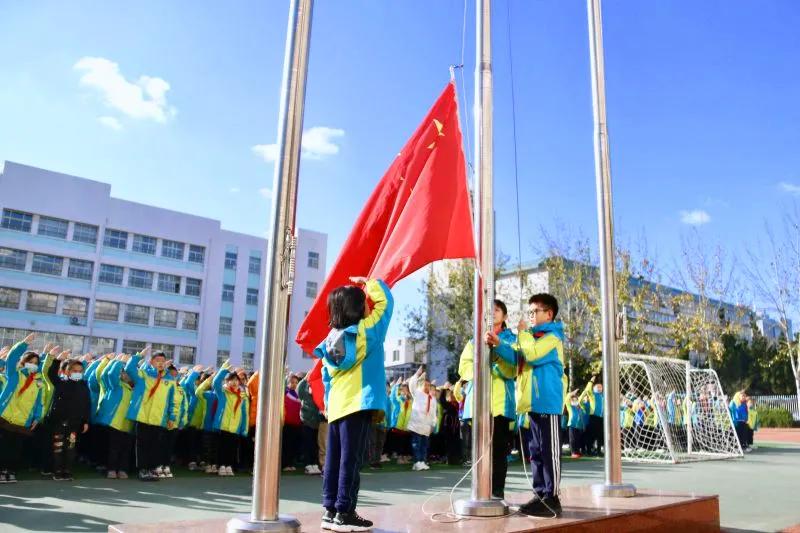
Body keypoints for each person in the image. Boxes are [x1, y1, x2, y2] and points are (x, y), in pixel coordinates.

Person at [314, 277, 393, 532]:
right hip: (359, 404)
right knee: (351, 460)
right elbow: (387, 303)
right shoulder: (366, 331)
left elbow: (326, 377)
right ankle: (345, 512)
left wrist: (327, 403)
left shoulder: (329, 341)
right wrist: (369, 283)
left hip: (337, 406)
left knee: (334, 460)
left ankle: (330, 509)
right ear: (359, 309)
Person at [506, 294, 566, 517]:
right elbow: (516, 357)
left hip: (548, 403)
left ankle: (552, 497)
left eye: (535, 312)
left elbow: (531, 355)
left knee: (550, 452)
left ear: (549, 314)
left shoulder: (552, 337)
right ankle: (540, 492)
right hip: (532, 403)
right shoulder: (531, 336)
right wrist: (498, 344)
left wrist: (521, 333)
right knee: (536, 451)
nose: (531, 316)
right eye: (529, 312)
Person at [480, 299, 519, 499]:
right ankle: (480, 490)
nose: (493, 313)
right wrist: (477, 373)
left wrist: (495, 359)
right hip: (479, 404)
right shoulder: (476, 338)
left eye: (497, 310)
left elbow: (513, 365)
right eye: (490, 310)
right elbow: (465, 365)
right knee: (479, 450)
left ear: (504, 316)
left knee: (498, 451)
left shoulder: (511, 338)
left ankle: (497, 492)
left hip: (501, 404)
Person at [124, 347, 180, 481]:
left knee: (155, 445)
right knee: (142, 444)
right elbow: (129, 369)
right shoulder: (143, 375)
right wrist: (138, 356)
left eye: (162, 360)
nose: (160, 363)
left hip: (159, 418)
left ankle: (151, 469)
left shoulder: (170, 379)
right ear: (151, 362)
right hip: (142, 416)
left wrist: (172, 417)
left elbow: (174, 400)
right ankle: (143, 470)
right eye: (157, 360)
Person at [0, 334, 43, 484]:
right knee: (3, 447)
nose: (33, 364)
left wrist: (37, 418)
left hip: (23, 420)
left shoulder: (38, 381)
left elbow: (39, 402)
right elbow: (11, 358)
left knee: (16, 449)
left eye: (36, 362)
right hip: (6, 417)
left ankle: (11, 471)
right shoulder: (14, 374)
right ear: (23, 362)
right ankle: (2, 471)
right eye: (30, 362)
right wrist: (24, 344)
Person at [46, 351, 91, 481]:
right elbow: (50, 374)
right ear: (67, 372)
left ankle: (67, 470)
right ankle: (57, 471)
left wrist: (86, 421)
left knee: (70, 448)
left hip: (75, 424)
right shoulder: (61, 383)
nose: (78, 373)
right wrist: (57, 360)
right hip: (59, 422)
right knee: (58, 447)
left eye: (80, 370)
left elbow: (87, 405)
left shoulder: (83, 386)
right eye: (75, 370)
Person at [97, 355, 136, 479]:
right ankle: (112, 469)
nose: (125, 375)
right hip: (115, 422)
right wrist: (119, 362)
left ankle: (123, 469)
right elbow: (110, 374)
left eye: (127, 374)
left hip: (129, 423)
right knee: (114, 447)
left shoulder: (135, 389)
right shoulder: (116, 386)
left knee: (126, 448)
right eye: (123, 373)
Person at [212, 361, 249, 476]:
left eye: (236, 380)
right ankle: (221, 466)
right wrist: (223, 370)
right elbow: (216, 382)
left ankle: (228, 466)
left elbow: (244, 413)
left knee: (232, 448)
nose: (234, 382)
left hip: (235, 426)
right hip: (223, 424)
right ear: (227, 382)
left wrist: (244, 428)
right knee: (222, 446)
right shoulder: (223, 392)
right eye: (231, 380)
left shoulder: (243, 396)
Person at [406, 366, 437, 471]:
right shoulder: (417, 393)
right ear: (422, 384)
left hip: (426, 426)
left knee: (424, 445)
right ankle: (417, 461)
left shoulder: (432, 398)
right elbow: (411, 385)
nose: (427, 386)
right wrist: (417, 374)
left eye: (428, 385)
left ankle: (422, 461)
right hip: (417, 424)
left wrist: (433, 424)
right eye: (425, 384)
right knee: (416, 444)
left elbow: (433, 412)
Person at [297, 372, 323, 475]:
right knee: (308, 444)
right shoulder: (304, 389)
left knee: (315, 444)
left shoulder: (318, 389)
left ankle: (314, 464)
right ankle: (308, 465)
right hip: (306, 421)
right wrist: (305, 378)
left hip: (317, 422)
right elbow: (299, 389)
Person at [282, 372, 303, 471]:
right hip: (287, 423)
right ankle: (285, 464)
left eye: (296, 382)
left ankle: (290, 463)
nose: (294, 384)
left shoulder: (299, 394)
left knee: (294, 445)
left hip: (297, 423)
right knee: (286, 444)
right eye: (291, 382)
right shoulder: (285, 392)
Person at [582, 375, 604, 456]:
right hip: (593, 417)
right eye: (597, 387)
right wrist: (591, 381)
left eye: (601, 387)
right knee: (591, 435)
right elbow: (587, 389)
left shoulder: (603, 396)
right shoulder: (592, 395)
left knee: (600, 435)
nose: (599, 388)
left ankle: (598, 451)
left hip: (601, 418)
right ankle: (588, 451)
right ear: (594, 388)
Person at [563, 391, 586, 459]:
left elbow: (581, 417)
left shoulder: (580, 408)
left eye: (576, 400)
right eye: (573, 400)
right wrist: (571, 394)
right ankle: (573, 452)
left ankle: (577, 452)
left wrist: (583, 425)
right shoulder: (570, 406)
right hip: (571, 425)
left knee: (577, 439)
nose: (575, 401)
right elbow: (566, 399)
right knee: (572, 439)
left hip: (579, 426)